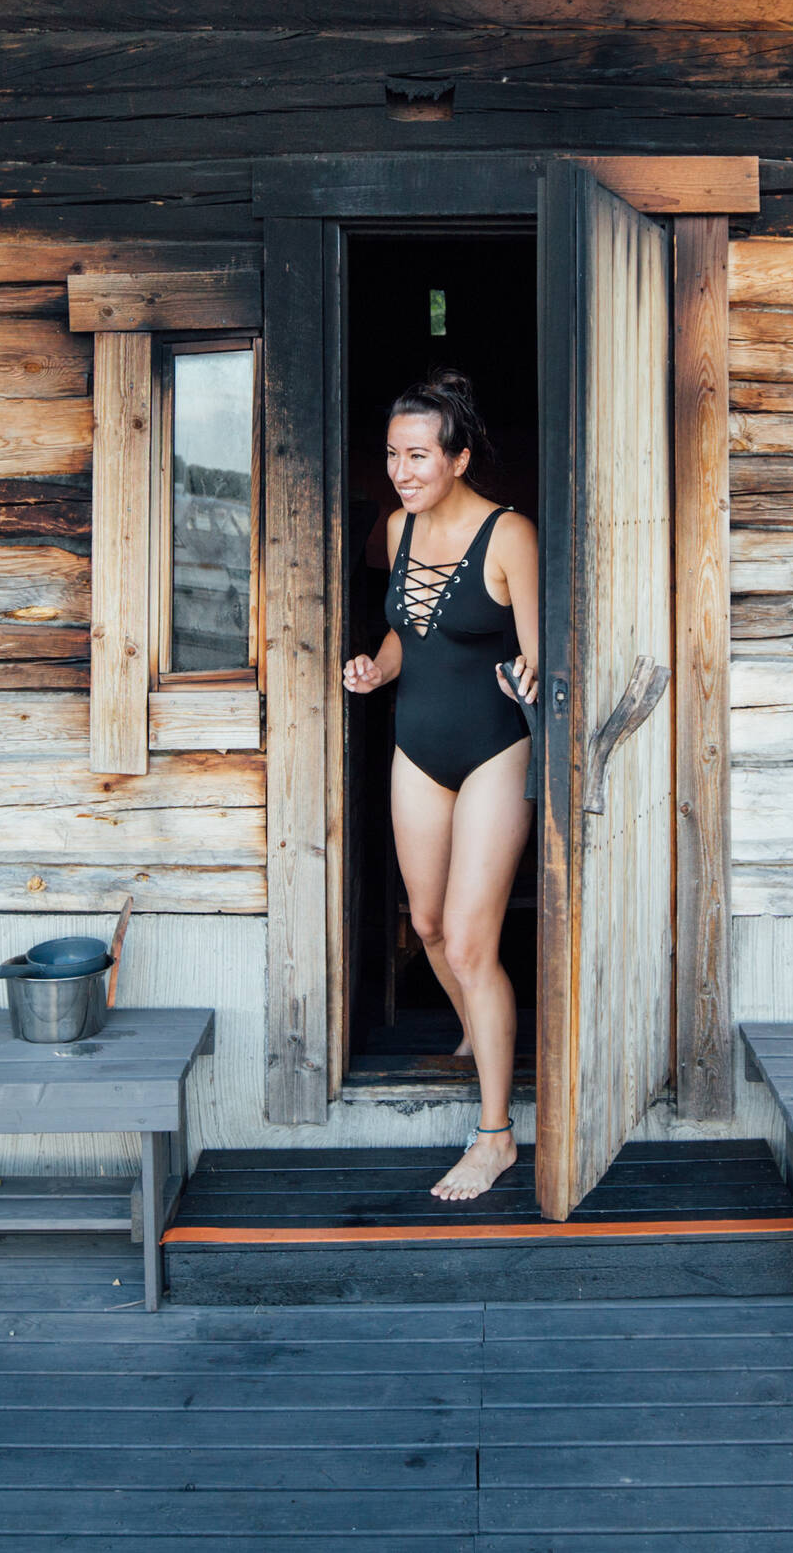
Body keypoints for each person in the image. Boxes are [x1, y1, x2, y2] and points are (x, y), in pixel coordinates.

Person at [342, 370, 540, 1201]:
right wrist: (373, 666)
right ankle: (473, 1026)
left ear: (458, 457)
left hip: (495, 749)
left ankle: (494, 1135)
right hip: (416, 745)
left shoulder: (509, 535)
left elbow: (542, 653)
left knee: (467, 941)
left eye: (418, 455)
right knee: (422, 920)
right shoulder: (396, 528)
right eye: (393, 455)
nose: (401, 470)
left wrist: (538, 674)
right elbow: (405, 630)